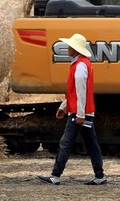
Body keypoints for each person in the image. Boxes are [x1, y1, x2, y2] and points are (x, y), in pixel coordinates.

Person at [38, 33, 108, 185]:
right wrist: (64, 106)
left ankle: (55, 175)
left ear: (75, 49)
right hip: (82, 112)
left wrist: (80, 114)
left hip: (79, 114)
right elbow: (76, 92)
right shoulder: (82, 64)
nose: (68, 48)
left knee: (66, 143)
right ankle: (100, 176)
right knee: (91, 145)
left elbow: (80, 92)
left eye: (70, 46)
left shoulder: (80, 66)